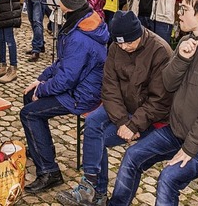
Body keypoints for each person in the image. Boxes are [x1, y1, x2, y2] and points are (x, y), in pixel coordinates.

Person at [108, 0, 198, 206]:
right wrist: (181, 59)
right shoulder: (186, 41)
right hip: (178, 131)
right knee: (132, 156)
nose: (178, 13)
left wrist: (189, 148)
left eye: (184, 9)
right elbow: (168, 84)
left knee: (168, 178)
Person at [56, 10, 173, 206]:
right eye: (119, 43)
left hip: (147, 113)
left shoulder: (160, 51)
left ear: (139, 34)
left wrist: (134, 125)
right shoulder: (116, 47)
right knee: (93, 122)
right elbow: (109, 87)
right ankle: (92, 185)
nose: (124, 47)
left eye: (128, 42)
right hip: (122, 106)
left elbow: (160, 100)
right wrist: (122, 121)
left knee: (99, 138)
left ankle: (96, 192)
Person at [20, 0, 108, 194]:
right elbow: (63, 62)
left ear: (66, 3)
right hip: (76, 85)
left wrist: (42, 89)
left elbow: (66, 79)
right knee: (28, 96)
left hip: (82, 94)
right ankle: (39, 148)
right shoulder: (82, 19)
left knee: (29, 114)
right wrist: (40, 80)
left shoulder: (79, 36)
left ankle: (50, 171)